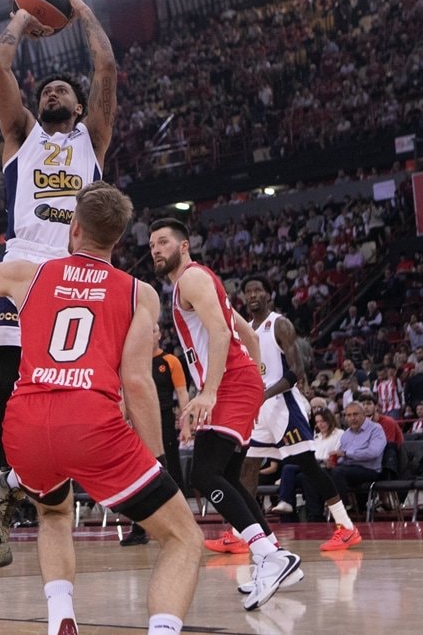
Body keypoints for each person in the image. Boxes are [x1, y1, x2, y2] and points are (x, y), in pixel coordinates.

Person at [0, 182, 203, 634]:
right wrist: (157, 460)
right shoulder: (139, 293)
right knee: (183, 537)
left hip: (27, 423)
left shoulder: (27, 273)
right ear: (118, 237)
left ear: (74, 228)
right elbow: (137, 383)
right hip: (90, 421)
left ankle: (61, 616)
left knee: (55, 513)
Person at [0, 0, 117, 569]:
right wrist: (21, 16)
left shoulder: (94, 139)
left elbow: (105, 65)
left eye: (63, 89)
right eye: (45, 90)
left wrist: (79, 9)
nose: (52, 90)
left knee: (74, 390)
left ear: (80, 107)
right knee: (5, 380)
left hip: (76, 272)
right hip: (23, 263)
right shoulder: (22, 135)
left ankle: (34, 485)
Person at [148, 218, 301, 611]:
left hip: (229, 383)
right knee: (228, 476)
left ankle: (270, 556)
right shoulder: (198, 283)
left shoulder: (192, 279)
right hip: (237, 381)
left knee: (204, 475)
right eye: (152, 245)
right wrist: (253, 377)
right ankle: (274, 552)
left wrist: (211, 391)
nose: (156, 250)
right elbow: (245, 333)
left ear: (184, 246)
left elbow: (220, 333)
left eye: (163, 242)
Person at [242, 276, 361, 551]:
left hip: (283, 403)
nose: (253, 295)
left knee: (307, 465)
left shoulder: (279, 324)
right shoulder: (246, 329)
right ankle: (242, 532)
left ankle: (346, 527)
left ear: (269, 295)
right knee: (248, 466)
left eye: (258, 290)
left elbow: (297, 371)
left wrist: (265, 394)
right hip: (260, 407)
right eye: (248, 292)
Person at [121, 324, 191, 546]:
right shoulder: (132, 363)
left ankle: (181, 525)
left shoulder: (170, 361)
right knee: (139, 475)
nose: (149, 334)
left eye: (153, 330)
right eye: (147, 330)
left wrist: (186, 425)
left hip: (165, 423)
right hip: (138, 423)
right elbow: (124, 394)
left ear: (159, 334)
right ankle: (139, 528)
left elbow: (182, 393)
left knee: (170, 471)